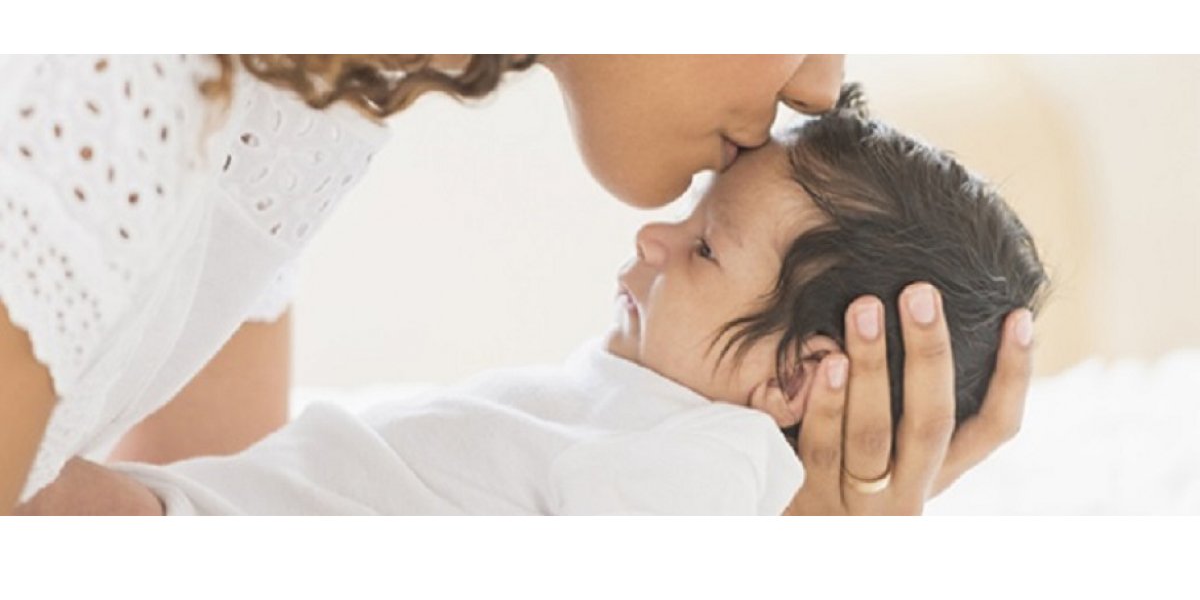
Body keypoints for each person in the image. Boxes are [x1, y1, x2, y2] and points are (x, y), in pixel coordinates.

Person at [0, 55, 1035, 515]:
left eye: (708, 250)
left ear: (799, 377)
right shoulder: (117, 77)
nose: (816, 85)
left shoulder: (320, 98)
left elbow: (211, 475)